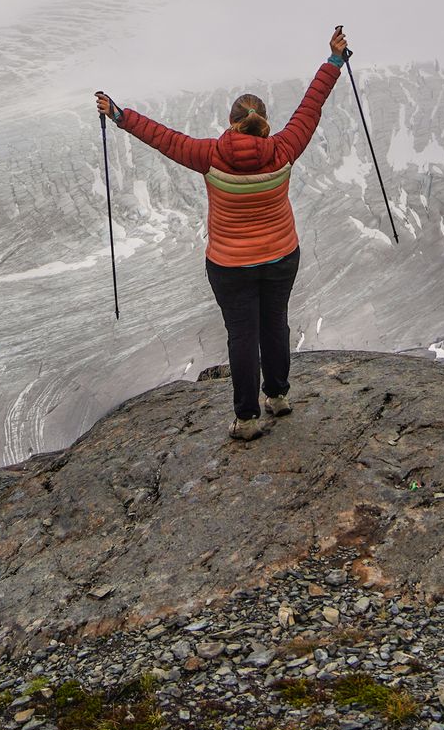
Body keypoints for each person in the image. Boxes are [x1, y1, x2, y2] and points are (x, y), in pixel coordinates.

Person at [95, 25, 350, 443]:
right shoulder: (285, 149)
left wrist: (120, 115)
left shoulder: (209, 155)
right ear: (264, 122)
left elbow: (162, 138)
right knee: (276, 325)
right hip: (282, 255)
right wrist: (335, 59)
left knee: (242, 336)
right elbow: (311, 106)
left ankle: (247, 419)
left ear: (231, 124)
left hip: (230, 266)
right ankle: (279, 397)